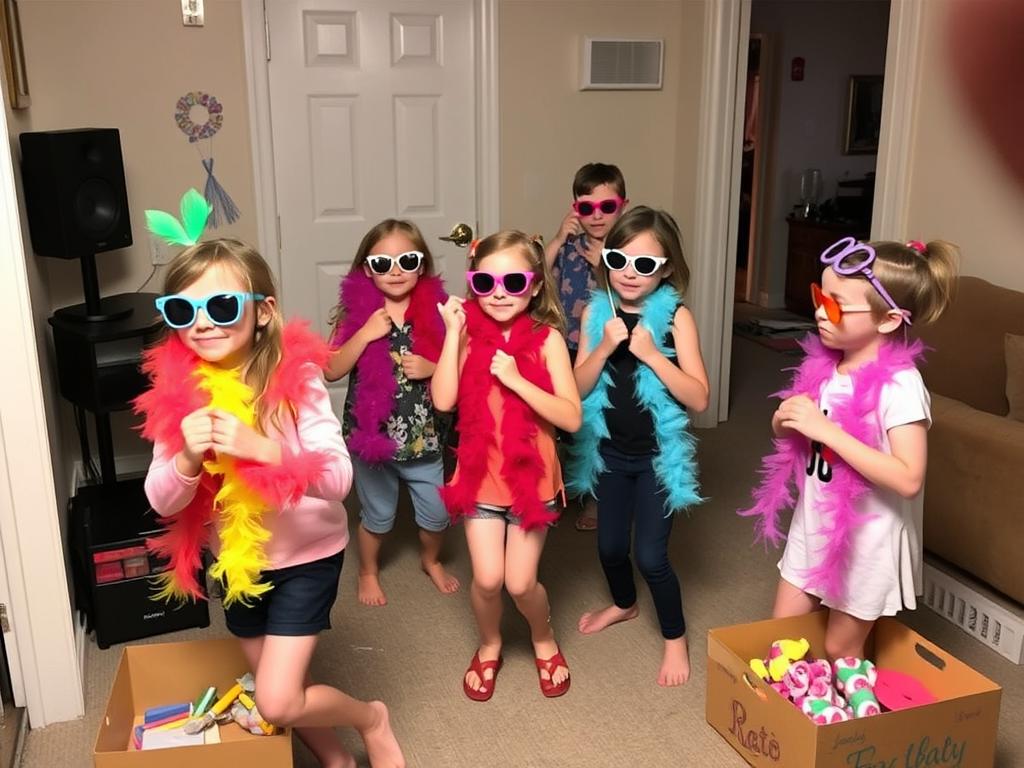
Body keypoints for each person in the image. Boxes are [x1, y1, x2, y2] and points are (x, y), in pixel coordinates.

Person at [136, 194, 405, 768]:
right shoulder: (178, 397)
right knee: (276, 691)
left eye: (221, 305)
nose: (202, 322)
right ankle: (336, 759)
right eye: (183, 310)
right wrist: (187, 457)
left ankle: (371, 717)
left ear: (263, 311)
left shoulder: (298, 380)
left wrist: (265, 450)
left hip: (308, 556)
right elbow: (161, 500)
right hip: (239, 567)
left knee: (278, 701)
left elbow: (339, 479)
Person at [739, 237, 959, 661]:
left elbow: (908, 477)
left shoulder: (902, 386)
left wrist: (827, 431)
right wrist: (785, 420)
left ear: (888, 320)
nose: (820, 312)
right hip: (814, 521)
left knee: (840, 647)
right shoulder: (826, 363)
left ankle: (850, 703)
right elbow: (794, 434)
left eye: (837, 306)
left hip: (867, 541)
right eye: (819, 297)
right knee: (781, 636)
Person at [432, 231, 582, 701]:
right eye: (486, 282)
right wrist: (452, 335)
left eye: (513, 281)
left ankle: (543, 636)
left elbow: (571, 417)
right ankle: (490, 642)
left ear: (534, 286)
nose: (499, 293)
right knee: (487, 579)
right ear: (473, 284)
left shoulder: (548, 340)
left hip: (532, 484)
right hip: (480, 480)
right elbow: (443, 400)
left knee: (520, 582)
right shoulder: (466, 336)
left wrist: (516, 380)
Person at [568, 206, 709, 687]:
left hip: (656, 459)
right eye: (619, 260)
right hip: (608, 453)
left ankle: (675, 636)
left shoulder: (677, 318)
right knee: (609, 548)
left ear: (666, 269)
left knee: (650, 557)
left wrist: (651, 355)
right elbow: (576, 390)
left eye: (645, 264)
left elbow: (699, 398)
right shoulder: (595, 312)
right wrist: (604, 348)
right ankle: (625, 604)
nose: (629, 273)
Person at [326, 219, 457, 607]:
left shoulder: (440, 312)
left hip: (425, 437)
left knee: (437, 514)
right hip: (373, 439)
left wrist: (433, 367)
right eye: (382, 263)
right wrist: (365, 333)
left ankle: (431, 560)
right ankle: (368, 571)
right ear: (367, 269)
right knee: (377, 516)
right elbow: (331, 369)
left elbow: (461, 365)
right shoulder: (356, 315)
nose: (396, 271)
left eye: (407, 260)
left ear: (422, 265)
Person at [544, 162, 630, 531]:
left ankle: (596, 497)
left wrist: (604, 268)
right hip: (566, 346)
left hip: (607, 349)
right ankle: (558, 486)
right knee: (563, 420)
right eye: (586, 207)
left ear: (623, 206)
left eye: (607, 207)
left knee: (598, 422)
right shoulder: (569, 247)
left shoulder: (628, 251)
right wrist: (556, 240)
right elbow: (536, 280)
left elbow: (633, 301)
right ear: (575, 208)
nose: (596, 216)